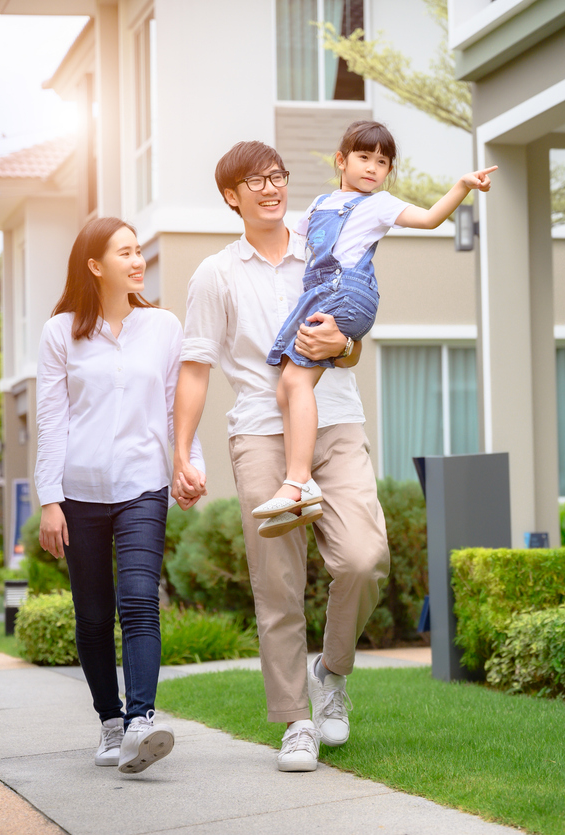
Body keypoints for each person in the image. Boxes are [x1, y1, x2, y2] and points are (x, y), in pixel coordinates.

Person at [170, 139, 390, 772]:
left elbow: (350, 340)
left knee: (363, 559)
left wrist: (341, 344)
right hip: (261, 433)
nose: (271, 188)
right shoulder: (215, 273)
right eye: (255, 181)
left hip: (337, 419)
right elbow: (195, 368)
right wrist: (182, 452)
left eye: (278, 177)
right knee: (278, 582)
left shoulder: (324, 248)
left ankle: (332, 672)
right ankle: (296, 720)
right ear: (231, 196)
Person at [250, 120, 496, 537]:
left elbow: (432, 218)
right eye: (364, 157)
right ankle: (302, 492)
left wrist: (462, 186)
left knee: (296, 385)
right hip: (321, 293)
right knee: (285, 388)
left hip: (345, 294)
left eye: (382, 162)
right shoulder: (320, 204)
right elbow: (294, 245)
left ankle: (297, 483)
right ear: (341, 161)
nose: (372, 168)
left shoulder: (379, 205)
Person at [35, 216, 204, 775]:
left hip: (143, 485)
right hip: (79, 492)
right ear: (94, 264)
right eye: (126, 252)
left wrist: (188, 465)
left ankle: (140, 723)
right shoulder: (61, 332)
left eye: (140, 252)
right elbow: (52, 421)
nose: (138, 261)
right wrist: (49, 500)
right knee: (91, 614)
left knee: (137, 600)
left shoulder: (162, 327)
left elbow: (176, 405)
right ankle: (110, 721)